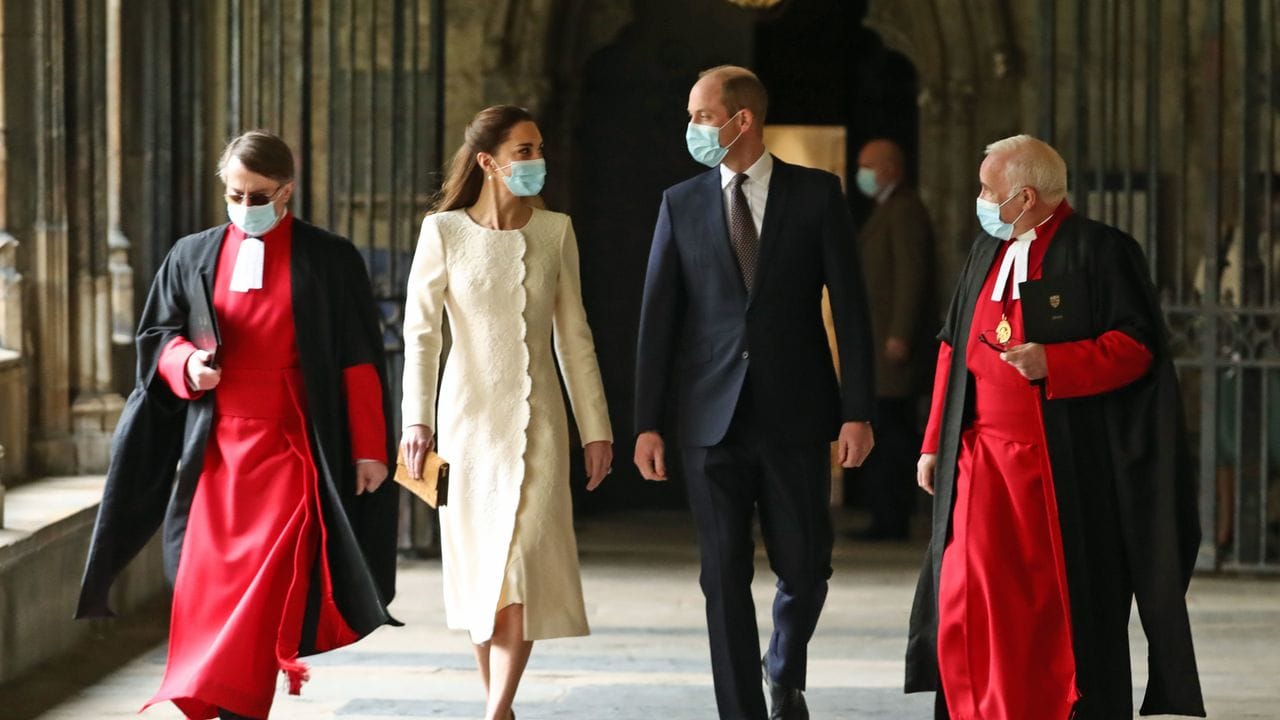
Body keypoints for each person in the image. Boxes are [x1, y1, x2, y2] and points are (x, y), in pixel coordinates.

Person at [76, 130, 399, 720]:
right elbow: (155, 340)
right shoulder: (190, 255)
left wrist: (370, 450)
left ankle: (238, 712)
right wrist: (187, 364)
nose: (245, 207)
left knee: (257, 608)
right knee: (208, 600)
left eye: (259, 196)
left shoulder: (330, 258)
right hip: (215, 455)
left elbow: (359, 359)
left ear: (287, 192)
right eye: (236, 194)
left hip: (291, 452)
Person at [905, 134, 1204, 719]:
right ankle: (978, 706)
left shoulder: (1100, 249)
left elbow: (1138, 348)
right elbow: (951, 347)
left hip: (1054, 466)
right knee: (971, 595)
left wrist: (1055, 363)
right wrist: (933, 440)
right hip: (979, 462)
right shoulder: (984, 251)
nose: (981, 201)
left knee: (1039, 603)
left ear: (1025, 195)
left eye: (989, 191)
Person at [634, 65, 876, 720]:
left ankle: (783, 667)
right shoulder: (679, 204)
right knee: (722, 579)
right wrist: (647, 423)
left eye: (702, 116)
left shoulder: (817, 196)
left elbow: (852, 313)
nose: (692, 129)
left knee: (806, 568)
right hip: (707, 422)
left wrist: (858, 411)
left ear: (743, 120)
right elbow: (659, 320)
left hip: (796, 416)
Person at [399, 105, 613, 720]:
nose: (537, 160)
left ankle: (497, 708)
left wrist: (595, 429)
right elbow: (422, 336)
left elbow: (575, 337)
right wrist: (417, 421)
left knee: (523, 559)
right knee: (481, 567)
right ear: (490, 162)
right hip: (467, 425)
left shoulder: (556, 232)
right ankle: (500, 707)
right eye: (524, 151)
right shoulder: (442, 232)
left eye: (539, 148)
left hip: (541, 422)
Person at [851, 138, 936, 541]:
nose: (861, 174)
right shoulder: (887, 209)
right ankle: (885, 515)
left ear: (889, 168)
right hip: (881, 343)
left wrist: (900, 334)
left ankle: (892, 517)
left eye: (867, 166)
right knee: (886, 429)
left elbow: (910, 276)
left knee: (892, 433)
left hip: (892, 347)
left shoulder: (903, 211)